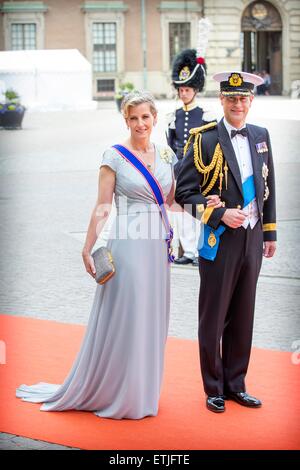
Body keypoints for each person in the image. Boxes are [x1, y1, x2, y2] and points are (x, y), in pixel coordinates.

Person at [16, 91, 177, 419]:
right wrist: (87, 247)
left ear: (155, 118)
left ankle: (142, 391)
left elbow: (171, 203)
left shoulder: (167, 155)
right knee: (128, 315)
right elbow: (103, 206)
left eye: (145, 117)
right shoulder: (114, 156)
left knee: (150, 317)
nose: (140, 123)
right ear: (125, 120)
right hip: (129, 246)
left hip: (158, 246)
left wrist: (199, 224)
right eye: (133, 118)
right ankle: (117, 390)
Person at [175, 71, 277, 413]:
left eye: (243, 98)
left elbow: (268, 188)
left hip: (252, 240)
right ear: (221, 100)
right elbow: (184, 194)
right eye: (231, 98)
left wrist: (269, 233)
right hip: (219, 240)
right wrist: (219, 215)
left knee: (243, 314)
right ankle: (214, 386)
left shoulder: (261, 135)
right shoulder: (204, 139)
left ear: (251, 100)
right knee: (213, 315)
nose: (238, 104)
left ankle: (236, 384)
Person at [167, 48, 215, 267]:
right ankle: (187, 251)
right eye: (181, 89)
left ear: (196, 90)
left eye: (187, 89)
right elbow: (170, 146)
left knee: (198, 209)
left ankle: (198, 248)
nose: (183, 93)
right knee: (180, 212)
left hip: (199, 169)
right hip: (179, 170)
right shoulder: (172, 117)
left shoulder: (206, 116)